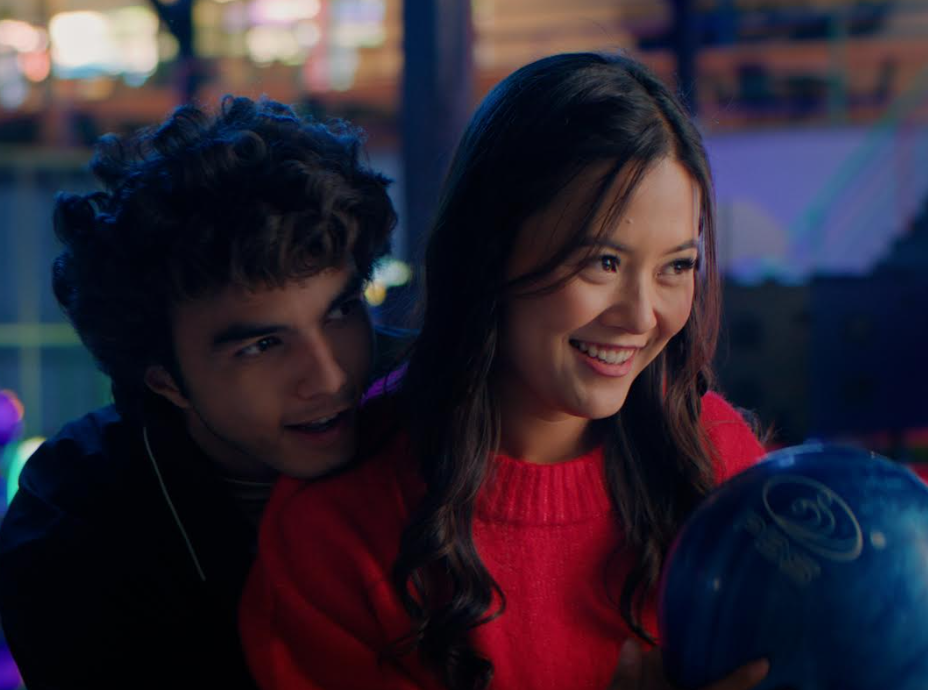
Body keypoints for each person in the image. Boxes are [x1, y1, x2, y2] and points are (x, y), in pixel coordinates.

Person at [241, 53, 769, 690]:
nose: (640, 315)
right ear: (489, 252)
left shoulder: (715, 459)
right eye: (602, 262)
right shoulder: (339, 525)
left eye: (676, 267)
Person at [0, 96, 402, 688]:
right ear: (165, 380)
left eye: (340, 312)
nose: (329, 377)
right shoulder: (76, 528)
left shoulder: (445, 408)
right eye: (263, 345)